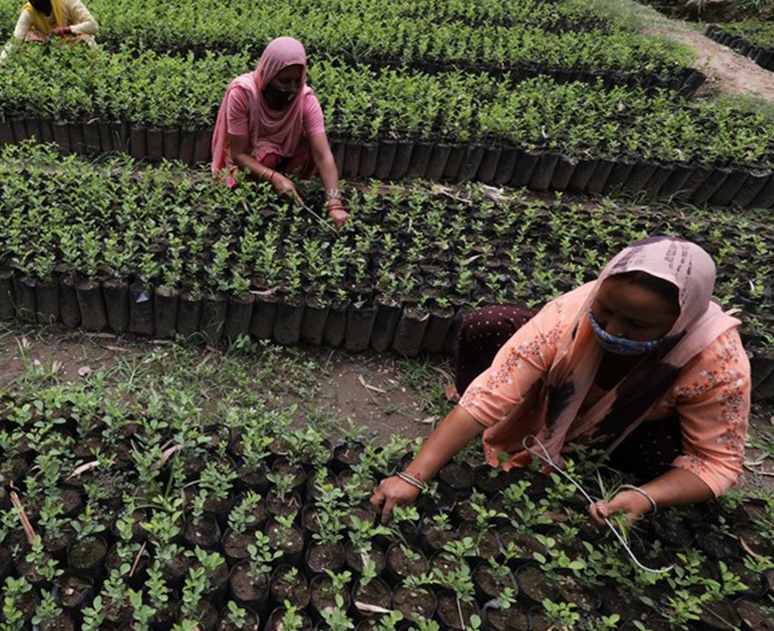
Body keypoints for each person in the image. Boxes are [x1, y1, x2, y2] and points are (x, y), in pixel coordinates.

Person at [370, 237, 750, 530]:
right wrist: (412, 475)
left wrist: (646, 496)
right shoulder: (567, 318)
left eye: (637, 324)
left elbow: (717, 463)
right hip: (550, 397)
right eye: (606, 308)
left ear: (681, 321)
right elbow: (487, 398)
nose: (613, 329)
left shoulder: (716, 362)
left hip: (632, 426)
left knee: (665, 453)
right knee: (489, 326)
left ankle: (597, 456)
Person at [210, 37, 350, 228]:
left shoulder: (305, 100)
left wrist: (335, 205)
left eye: (296, 80)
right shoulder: (243, 93)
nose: (291, 88)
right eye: (284, 81)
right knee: (264, 161)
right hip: (251, 153)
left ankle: (282, 174)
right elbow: (238, 154)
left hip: (287, 152)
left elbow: (323, 155)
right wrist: (274, 177)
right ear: (268, 74)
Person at [0, 0, 99, 61]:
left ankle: (96, 73)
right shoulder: (29, 12)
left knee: (86, 38)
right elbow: (16, 40)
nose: (34, 2)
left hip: (72, 47)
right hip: (48, 53)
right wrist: (1, 64)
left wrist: (66, 30)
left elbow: (93, 26)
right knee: (28, 38)